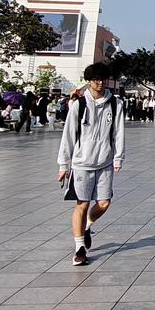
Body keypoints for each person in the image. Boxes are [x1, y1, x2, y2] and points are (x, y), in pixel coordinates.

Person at [57, 62, 125, 267]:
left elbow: (119, 132)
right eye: (96, 80)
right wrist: (63, 165)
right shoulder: (79, 105)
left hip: (105, 161)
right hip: (81, 163)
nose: (100, 83)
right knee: (83, 204)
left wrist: (118, 157)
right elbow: (68, 135)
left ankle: (86, 225)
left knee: (104, 203)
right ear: (89, 81)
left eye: (103, 79)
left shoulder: (115, 104)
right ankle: (79, 248)